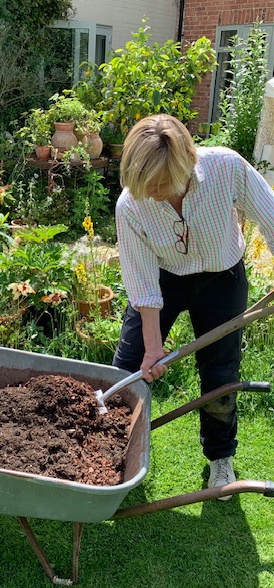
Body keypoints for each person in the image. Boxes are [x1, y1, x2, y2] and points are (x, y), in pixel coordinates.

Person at [113, 113, 274, 500]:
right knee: (129, 366)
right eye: (146, 187)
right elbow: (142, 283)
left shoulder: (226, 168)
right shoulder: (131, 204)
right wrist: (153, 347)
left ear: (188, 161)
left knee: (221, 374)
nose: (153, 195)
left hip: (222, 279)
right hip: (165, 279)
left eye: (162, 186)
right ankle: (112, 448)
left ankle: (220, 458)